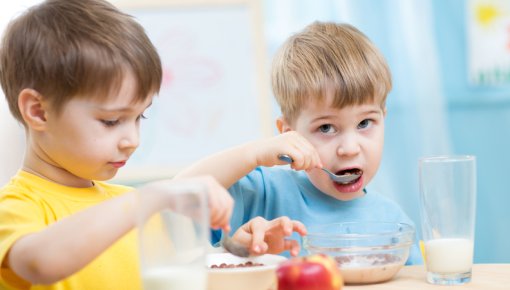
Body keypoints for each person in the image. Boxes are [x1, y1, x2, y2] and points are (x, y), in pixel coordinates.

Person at [0, 1, 305, 289]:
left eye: (139, 117)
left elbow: (178, 274)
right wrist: (148, 198)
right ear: (38, 111)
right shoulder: (16, 206)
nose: (132, 141)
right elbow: (40, 262)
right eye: (111, 121)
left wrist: (243, 253)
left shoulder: (128, 203)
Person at [175, 21, 423, 264]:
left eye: (365, 123)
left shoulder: (395, 224)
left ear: (384, 119)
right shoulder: (264, 193)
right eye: (326, 127)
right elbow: (177, 196)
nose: (349, 148)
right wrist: (252, 154)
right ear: (289, 133)